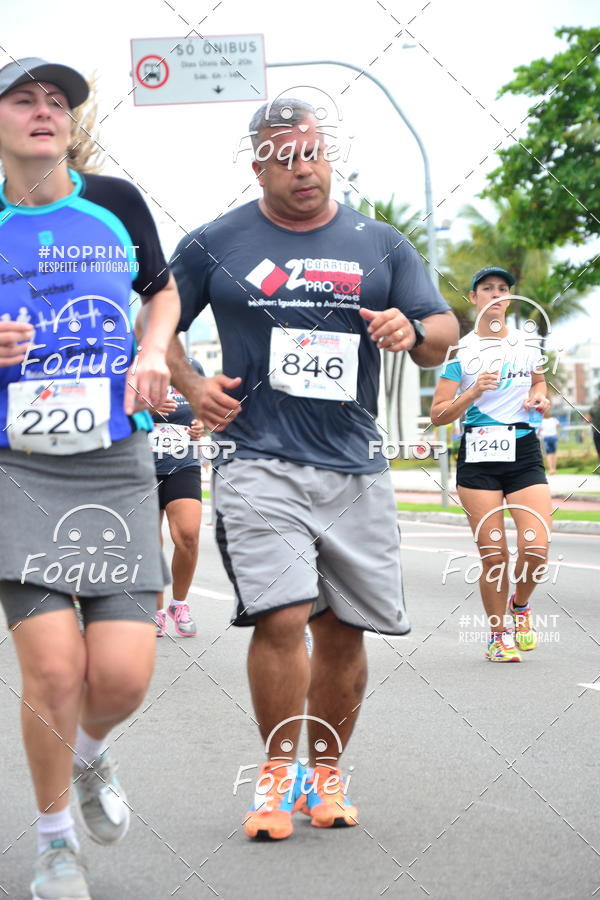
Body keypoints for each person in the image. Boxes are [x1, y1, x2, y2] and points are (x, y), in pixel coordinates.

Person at [167, 98, 458, 839]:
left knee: (341, 631)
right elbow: (157, 321)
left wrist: (413, 327)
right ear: (257, 163)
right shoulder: (214, 243)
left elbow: (441, 334)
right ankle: (274, 779)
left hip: (353, 464)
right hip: (256, 458)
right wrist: (192, 384)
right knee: (284, 614)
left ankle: (323, 777)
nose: (305, 168)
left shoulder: (380, 244)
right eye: (286, 156)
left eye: (315, 152)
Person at [0, 58, 179, 899]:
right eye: (24, 99)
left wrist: (151, 351)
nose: (45, 111)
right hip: (16, 465)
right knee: (56, 672)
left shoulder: (114, 203)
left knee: (121, 676)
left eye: (57, 101)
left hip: (114, 457)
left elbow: (164, 293)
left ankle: (91, 755)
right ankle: (54, 843)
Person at [431, 266, 552, 663]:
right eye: (487, 289)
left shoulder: (526, 344)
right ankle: (498, 636)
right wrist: (472, 393)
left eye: (503, 289)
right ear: (473, 297)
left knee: (537, 546)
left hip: (522, 451)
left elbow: (538, 383)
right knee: (495, 555)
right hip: (479, 456)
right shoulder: (459, 352)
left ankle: (520, 607)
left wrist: (539, 397)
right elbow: (438, 414)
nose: (496, 295)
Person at [149, 360, 205, 637]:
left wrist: (200, 427)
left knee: (187, 535)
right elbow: (113, 408)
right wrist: (148, 410)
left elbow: (204, 409)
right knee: (149, 541)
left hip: (183, 462)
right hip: (140, 466)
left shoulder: (191, 366)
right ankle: (155, 610)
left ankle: (178, 604)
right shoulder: (131, 365)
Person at [539, 408, 560, 475]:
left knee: (548, 454)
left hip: (546, 438)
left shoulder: (541, 421)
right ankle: (554, 469)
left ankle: (551, 469)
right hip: (553, 437)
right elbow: (558, 425)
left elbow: (539, 430)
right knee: (554, 453)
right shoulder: (554, 420)